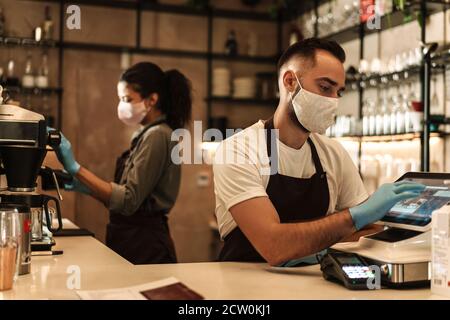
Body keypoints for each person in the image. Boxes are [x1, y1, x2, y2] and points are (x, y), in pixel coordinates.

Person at [212, 38, 425, 266]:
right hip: (245, 290)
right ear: (290, 81)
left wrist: (317, 248)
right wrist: (353, 216)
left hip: (314, 284)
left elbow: (370, 230)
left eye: (338, 92)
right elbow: (274, 246)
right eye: (325, 87)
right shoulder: (237, 150)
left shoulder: (332, 153)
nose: (333, 100)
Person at [53, 62, 192, 264]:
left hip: (146, 245)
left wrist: (75, 168)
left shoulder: (158, 135)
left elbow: (128, 201)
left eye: (127, 99)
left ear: (152, 99)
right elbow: (124, 196)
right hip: (132, 239)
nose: (122, 106)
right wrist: (87, 188)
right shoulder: (146, 134)